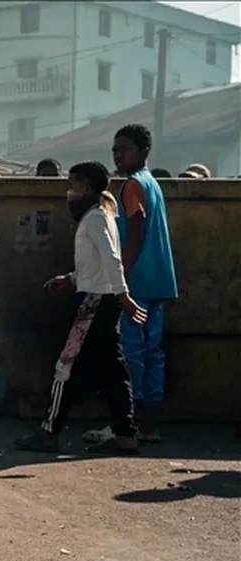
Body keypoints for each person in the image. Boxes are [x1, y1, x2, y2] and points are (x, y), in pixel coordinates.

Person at [16, 161, 146, 455]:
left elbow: (112, 259)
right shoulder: (103, 216)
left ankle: (49, 433)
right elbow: (98, 263)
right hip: (103, 298)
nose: (69, 192)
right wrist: (72, 279)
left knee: (67, 366)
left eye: (72, 185)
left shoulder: (95, 219)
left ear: (85, 187)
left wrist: (123, 294)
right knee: (114, 371)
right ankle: (126, 436)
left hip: (95, 301)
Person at [84, 124, 177, 444]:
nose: (118, 155)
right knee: (152, 351)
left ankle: (128, 422)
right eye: (115, 150)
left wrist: (118, 278)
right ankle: (149, 423)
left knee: (131, 351)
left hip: (136, 282)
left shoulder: (132, 186)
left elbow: (134, 236)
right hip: (158, 280)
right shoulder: (152, 184)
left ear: (143, 152)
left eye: (124, 149)